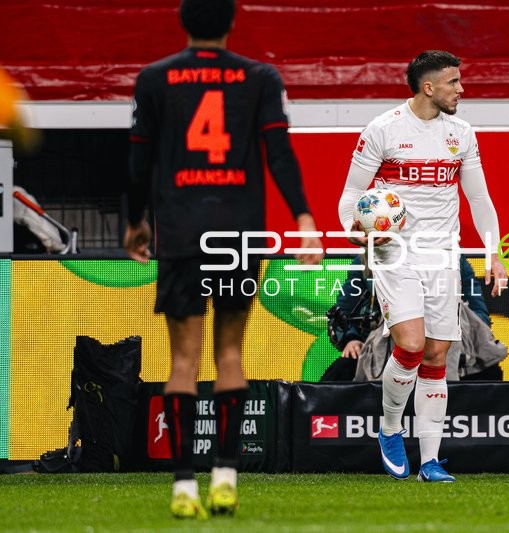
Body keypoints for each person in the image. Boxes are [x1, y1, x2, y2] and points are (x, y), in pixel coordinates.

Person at [125, 0, 323, 519]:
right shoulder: (259, 77)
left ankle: (184, 487)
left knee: (182, 362)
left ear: (183, 23)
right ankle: (226, 476)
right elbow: (279, 153)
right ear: (232, 24)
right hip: (237, 234)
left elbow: (138, 160)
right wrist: (303, 218)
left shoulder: (153, 78)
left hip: (181, 233)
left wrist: (135, 220)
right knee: (230, 353)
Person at [337, 50, 507, 483]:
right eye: (453, 82)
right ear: (428, 87)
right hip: (393, 252)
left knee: (436, 355)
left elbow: (479, 199)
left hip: (442, 254)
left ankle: (430, 461)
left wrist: (493, 251)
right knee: (409, 346)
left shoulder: (462, 133)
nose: (461, 89)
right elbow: (351, 196)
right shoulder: (383, 129)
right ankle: (390, 429)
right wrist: (355, 231)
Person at [323, 255, 506, 382]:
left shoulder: (454, 258)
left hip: (448, 342)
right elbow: (343, 312)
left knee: (490, 373)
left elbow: (478, 314)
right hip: (385, 346)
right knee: (340, 372)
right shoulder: (366, 260)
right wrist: (351, 339)